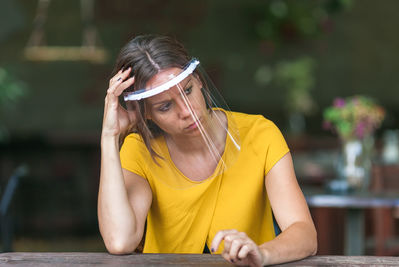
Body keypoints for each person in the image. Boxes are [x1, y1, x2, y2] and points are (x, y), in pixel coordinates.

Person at [98, 34, 317, 267]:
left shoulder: (260, 135)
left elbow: (304, 234)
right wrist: (109, 136)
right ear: (146, 113)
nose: (187, 111)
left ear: (199, 80)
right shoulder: (141, 150)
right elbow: (120, 241)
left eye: (188, 90)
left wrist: (262, 254)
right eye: (165, 106)